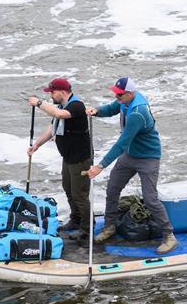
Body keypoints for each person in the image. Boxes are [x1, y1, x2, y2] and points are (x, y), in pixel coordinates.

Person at [86, 77, 178, 254]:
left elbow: (121, 143)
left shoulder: (137, 112)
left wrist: (100, 166)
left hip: (148, 158)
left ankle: (169, 236)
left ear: (130, 93)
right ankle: (110, 226)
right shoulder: (125, 101)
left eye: (119, 94)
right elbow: (112, 108)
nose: (117, 97)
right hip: (130, 155)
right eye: (116, 93)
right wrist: (96, 111)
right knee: (112, 188)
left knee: (150, 198)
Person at [28, 78, 92, 243]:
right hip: (68, 157)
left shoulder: (77, 105)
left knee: (80, 194)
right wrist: (37, 145)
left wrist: (38, 103)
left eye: (52, 92)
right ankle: (75, 219)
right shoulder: (62, 106)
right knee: (69, 189)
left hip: (80, 159)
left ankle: (86, 229)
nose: (50, 96)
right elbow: (52, 127)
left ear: (62, 92)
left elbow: (59, 114)